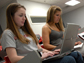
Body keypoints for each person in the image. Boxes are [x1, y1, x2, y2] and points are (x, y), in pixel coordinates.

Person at [0, 3, 83, 63]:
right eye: (21, 15)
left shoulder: (26, 31)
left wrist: (50, 52)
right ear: (11, 16)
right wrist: (40, 56)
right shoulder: (8, 33)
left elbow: (39, 49)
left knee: (76, 54)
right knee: (69, 60)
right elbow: (13, 58)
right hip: (34, 60)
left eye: (25, 15)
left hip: (41, 57)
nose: (24, 18)